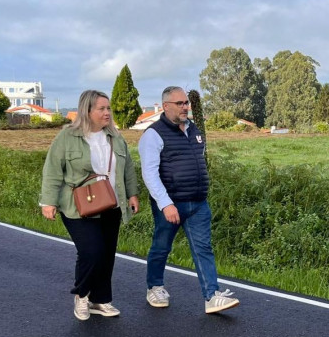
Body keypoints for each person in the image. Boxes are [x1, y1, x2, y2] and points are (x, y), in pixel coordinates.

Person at [40, 90, 140, 321]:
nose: (107, 113)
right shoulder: (67, 137)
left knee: (106, 255)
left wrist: (133, 194)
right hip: (78, 206)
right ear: (87, 111)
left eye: (108, 108)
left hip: (111, 203)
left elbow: (128, 168)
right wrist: (48, 201)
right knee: (91, 252)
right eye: (101, 109)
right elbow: (53, 170)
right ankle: (81, 295)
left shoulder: (115, 137)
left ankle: (100, 300)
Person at [139, 86, 239, 314]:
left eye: (186, 103)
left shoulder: (194, 130)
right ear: (166, 106)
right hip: (170, 204)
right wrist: (165, 204)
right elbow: (150, 174)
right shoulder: (153, 135)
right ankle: (154, 286)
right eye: (180, 103)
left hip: (198, 203)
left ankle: (212, 295)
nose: (186, 107)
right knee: (161, 247)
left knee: (203, 248)